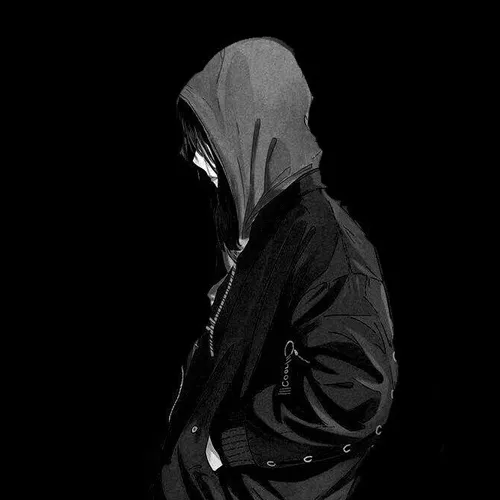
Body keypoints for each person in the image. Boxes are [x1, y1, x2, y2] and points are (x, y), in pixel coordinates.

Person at [154, 37, 398, 500]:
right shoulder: (271, 227)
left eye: (211, 144)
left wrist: (228, 445)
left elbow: (355, 393)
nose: (199, 163)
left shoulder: (326, 243)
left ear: (256, 132)